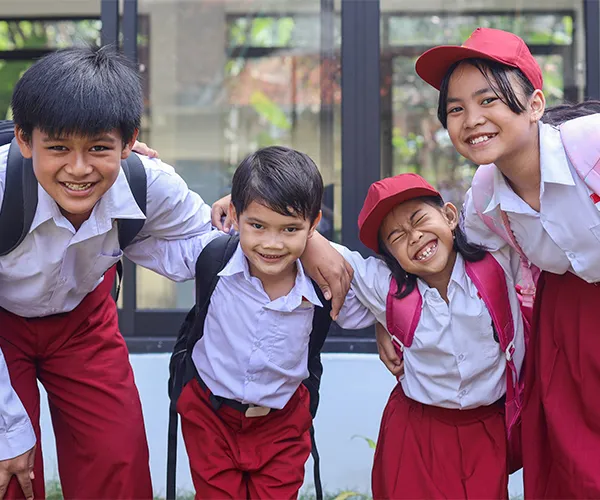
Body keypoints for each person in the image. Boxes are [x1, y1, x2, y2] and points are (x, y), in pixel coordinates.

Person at [0, 47, 351, 500]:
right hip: (3, 324)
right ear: (26, 141)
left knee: (116, 461)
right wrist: (9, 432)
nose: (80, 168)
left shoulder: (149, 183)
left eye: (100, 148)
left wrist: (307, 243)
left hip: (83, 321)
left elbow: (215, 244)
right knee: (11, 473)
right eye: (59, 148)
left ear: (129, 143)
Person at [374, 26, 600, 498]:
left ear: (535, 104)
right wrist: (386, 317)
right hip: (568, 326)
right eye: (455, 109)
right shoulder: (481, 198)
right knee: (576, 467)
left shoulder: (591, 143)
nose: (471, 119)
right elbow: (448, 272)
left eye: (488, 100)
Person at [177, 146, 374, 499]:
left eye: (289, 229)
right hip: (210, 414)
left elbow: (387, 293)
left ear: (313, 225)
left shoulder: (329, 277)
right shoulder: (213, 255)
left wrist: (389, 329)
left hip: (282, 423)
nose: (272, 243)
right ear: (236, 217)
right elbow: (154, 230)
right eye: (257, 226)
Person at [329, 173, 525, 499]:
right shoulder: (385, 288)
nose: (415, 237)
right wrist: (237, 206)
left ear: (449, 216)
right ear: (391, 259)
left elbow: (507, 180)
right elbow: (316, 247)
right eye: (396, 237)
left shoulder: (498, 259)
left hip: (486, 427)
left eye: (419, 219)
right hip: (415, 431)